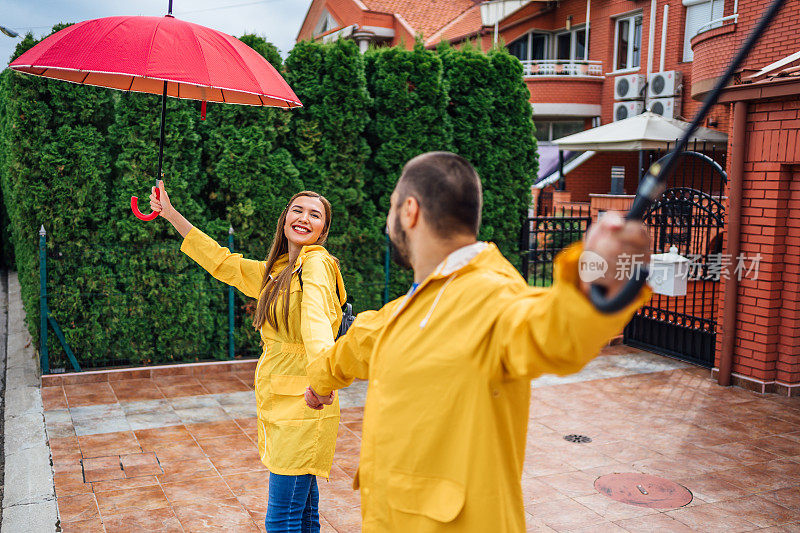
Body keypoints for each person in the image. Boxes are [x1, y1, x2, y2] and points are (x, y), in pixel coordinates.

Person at [303, 152, 652, 532]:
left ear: (409, 211)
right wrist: (320, 383)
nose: (389, 221)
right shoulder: (411, 306)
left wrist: (598, 280)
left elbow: (557, 331)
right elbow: (358, 344)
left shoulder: (494, 297)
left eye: (390, 208)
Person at [150, 182, 345, 533]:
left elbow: (316, 321)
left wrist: (322, 378)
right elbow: (223, 262)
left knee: (280, 520)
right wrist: (170, 213)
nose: (303, 218)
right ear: (285, 218)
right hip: (286, 400)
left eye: (314, 215)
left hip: (306, 401)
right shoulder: (278, 271)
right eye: (297, 210)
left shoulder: (316, 265)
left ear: (323, 231)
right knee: (302, 514)